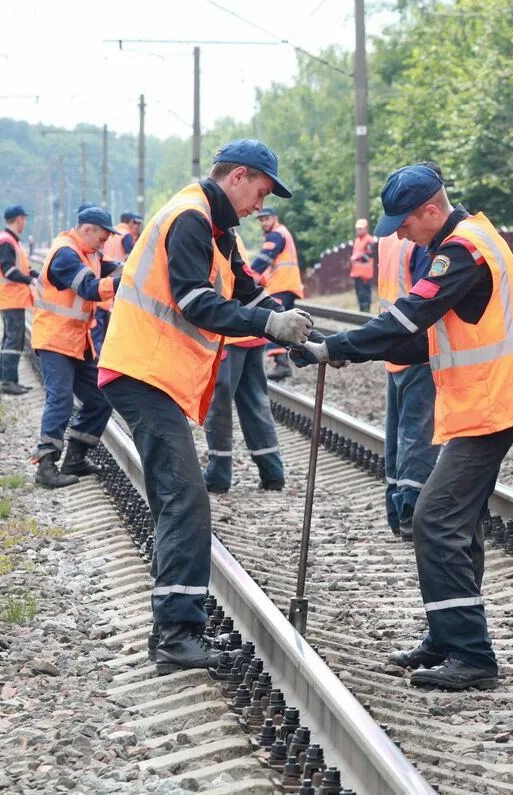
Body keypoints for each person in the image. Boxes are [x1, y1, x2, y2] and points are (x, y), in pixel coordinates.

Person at [294, 164, 513, 691]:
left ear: (431, 210)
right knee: (458, 525)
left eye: (404, 223)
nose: (399, 234)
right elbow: (422, 340)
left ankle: (471, 654)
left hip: (488, 407)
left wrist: (336, 346)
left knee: (435, 520)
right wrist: (346, 355)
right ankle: (448, 637)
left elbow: (408, 318)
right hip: (479, 404)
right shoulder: (468, 242)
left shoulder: (462, 251)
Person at [98, 140, 311, 674]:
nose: (259, 206)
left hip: (154, 373)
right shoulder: (190, 218)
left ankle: (176, 628)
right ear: (237, 176)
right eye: (259, 192)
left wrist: (298, 330)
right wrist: (268, 326)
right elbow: (196, 302)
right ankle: (175, 635)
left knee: (181, 498)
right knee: (185, 500)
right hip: (141, 371)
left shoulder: (217, 229)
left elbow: (243, 289)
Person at [374, 163, 443, 540]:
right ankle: (410, 514)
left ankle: (394, 507)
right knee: (418, 433)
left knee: (397, 433)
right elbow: (427, 298)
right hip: (418, 347)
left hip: (392, 346)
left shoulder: (387, 237)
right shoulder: (420, 241)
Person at [30, 207, 121, 489]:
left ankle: (75, 459)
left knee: (99, 398)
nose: (104, 244)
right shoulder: (65, 254)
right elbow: (90, 289)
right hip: (55, 340)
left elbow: (111, 266)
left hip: (78, 342)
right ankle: (46, 465)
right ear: (87, 229)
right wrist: (123, 281)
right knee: (61, 400)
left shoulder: (88, 252)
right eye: (102, 238)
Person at [203, 236, 287, 494]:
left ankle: (218, 475)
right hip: (252, 332)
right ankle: (272, 472)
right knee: (255, 400)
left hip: (230, 333)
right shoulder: (231, 235)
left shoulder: (210, 235)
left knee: (219, 404)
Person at [249, 207, 304, 380]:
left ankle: (282, 364)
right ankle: (285, 361)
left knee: (275, 324)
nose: (264, 223)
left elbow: (265, 258)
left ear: (275, 218)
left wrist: (249, 276)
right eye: (261, 220)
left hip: (282, 285)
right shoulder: (281, 233)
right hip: (286, 284)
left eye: (266, 219)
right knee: (285, 325)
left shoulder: (276, 235)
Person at [0, 205, 38, 395]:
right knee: (13, 339)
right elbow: (9, 271)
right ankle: (8, 382)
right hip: (11, 299)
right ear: (19, 219)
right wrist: (31, 280)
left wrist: (33, 273)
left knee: (11, 339)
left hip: (13, 299)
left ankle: (10, 380)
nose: (24, 223)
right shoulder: (6, 241)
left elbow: (19, 268)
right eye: (24, 219)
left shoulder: (10, 240)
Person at [93, 213, 142, 355]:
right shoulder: (126, 236)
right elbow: (133, 258)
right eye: (137, 224)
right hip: (116, 283)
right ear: (131, 222)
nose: (137, 228)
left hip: (103, 281)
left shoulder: (110, 233)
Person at [349, 218, 376, 312]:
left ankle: (365, 314)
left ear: (366, 229)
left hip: (365, 274)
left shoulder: (368, 240)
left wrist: (356, 258)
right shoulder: (357, 240)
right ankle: (362, 314)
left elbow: (368, 256)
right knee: (360, 296)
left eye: (360, 228)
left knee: (365, 296)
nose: (358, 230)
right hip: (357, 273)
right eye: (357, 228)